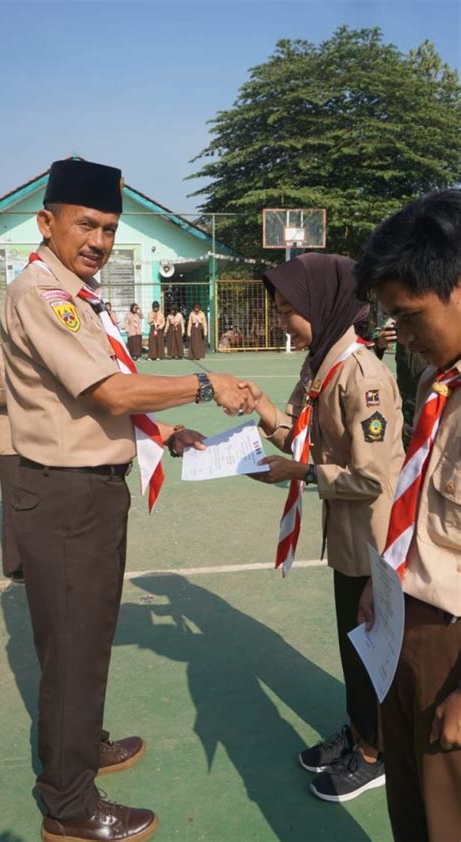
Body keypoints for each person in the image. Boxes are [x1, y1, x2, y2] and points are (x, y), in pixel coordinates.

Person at [0, 157, 254, 842]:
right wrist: (206, 385)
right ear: (46, 222)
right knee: (74, 650)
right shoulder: (42, 294)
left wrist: (166, 431)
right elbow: (110, 392)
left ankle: (83, 748)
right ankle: (69, 805)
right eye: (87, 224)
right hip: (64, 497)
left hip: (89, 493)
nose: (100, 240)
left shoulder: (76, 294)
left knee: (88, 639)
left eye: (110, 228)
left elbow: (95, 401)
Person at [240, 253, 405, 803]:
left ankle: (377, 752)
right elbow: (298, 435)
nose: (285, 319)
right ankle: (358, 732)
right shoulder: (320, 364)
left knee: (370, 647)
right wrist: (260, 405)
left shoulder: (364, 376)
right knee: (351, 643)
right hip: (344, 533)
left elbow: (375, 479)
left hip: (373, 537)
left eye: (292, 310)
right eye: (283, 308)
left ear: (326, 307)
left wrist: (305, 473)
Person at [355, 190, 461, 842]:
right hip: (403, 633)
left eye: (411, 315)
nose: (403, 334)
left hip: (454, 650)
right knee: (412, 814)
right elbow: (417, 498)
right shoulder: (437, 382)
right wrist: (383, 581)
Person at [0, 342, 23, 582]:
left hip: (49, 439)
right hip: (9, 438)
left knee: (50, 501)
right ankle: (16, 563)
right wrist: (18, 393)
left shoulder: (45, 347)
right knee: (14, 502)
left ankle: (46, 559)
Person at [374, 318, 427, 448]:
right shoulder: (402, 320)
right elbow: (370, 353)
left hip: (439, 406)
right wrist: (379, 345)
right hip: (407, 411)